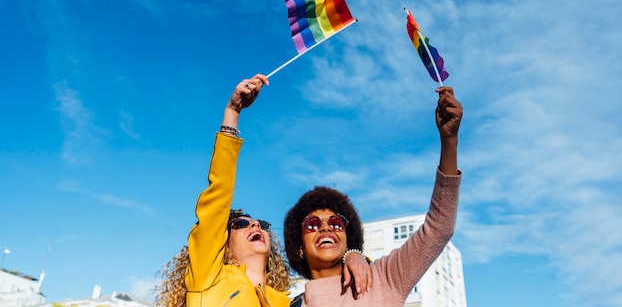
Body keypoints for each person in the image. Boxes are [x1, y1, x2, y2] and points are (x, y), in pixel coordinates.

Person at [156, 74, 372, 307]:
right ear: (223, 244)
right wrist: (232, 113)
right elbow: (218, 196)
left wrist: (354, 255)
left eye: (261, 224)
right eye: (240, 224)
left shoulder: (292, 303)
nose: (255, 225)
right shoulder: (209, 278)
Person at [283, 86, 463, 307]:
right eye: (311, 225)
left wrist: (449, 141)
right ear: (298, 246)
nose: (326, 228)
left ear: (348, 239)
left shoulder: (385, 278)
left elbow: (440, 227)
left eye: (337, 223)